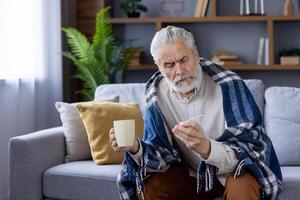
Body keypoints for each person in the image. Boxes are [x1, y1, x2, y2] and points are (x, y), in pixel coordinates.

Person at [109, 26, 282, 200]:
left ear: (196, 53)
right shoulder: (155, 94)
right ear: (159, 67)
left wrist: (206, 147)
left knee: (242, 188)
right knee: (151, 186)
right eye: (169, 65)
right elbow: (159, 153)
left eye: (184, 60)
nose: (179, 71)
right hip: (190, 175)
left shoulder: (229, 86)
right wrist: (135, 147)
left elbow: (250, 152)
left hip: (232, 173)